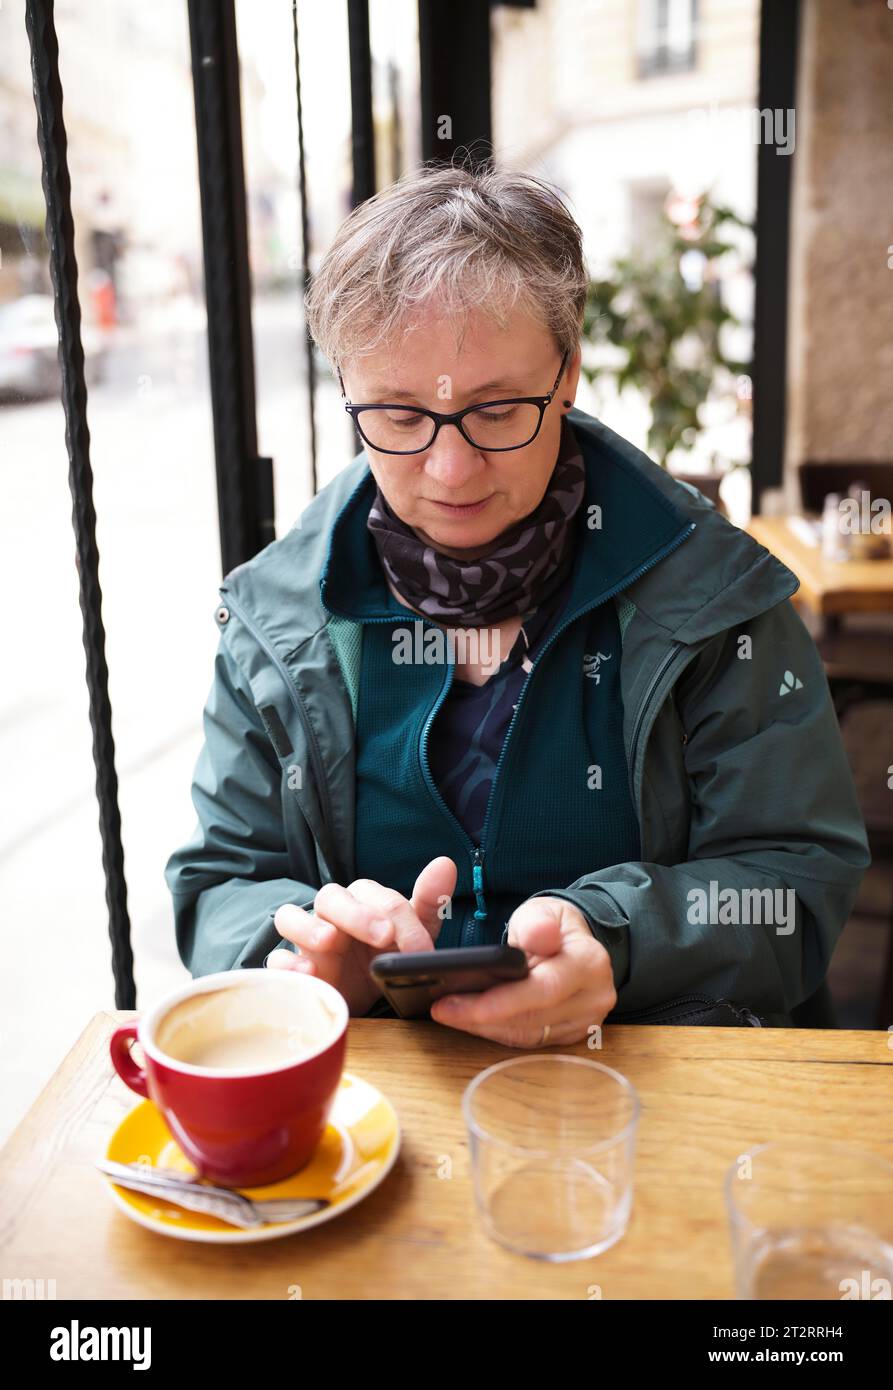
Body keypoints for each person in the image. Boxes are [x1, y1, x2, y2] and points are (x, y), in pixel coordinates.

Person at [164, 164, 869, 1045]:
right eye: (398, 413)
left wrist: (619, 943)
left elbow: (794, 878)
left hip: (658, 1080)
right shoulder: (276, 617)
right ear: (347, 391)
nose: (451, 471)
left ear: (568, 373)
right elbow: (225, 879)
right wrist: (299, 952)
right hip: (380, 1102)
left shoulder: (711, 596)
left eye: (499, 411)